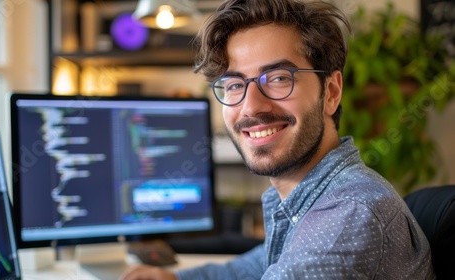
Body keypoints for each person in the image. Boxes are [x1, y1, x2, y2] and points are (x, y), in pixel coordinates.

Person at [121, 0, 435, 279]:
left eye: (279, 78)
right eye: (233, 84)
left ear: (332, 93)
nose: (252, 106)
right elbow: (256, 267)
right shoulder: (309, 198)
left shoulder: (349, 214)